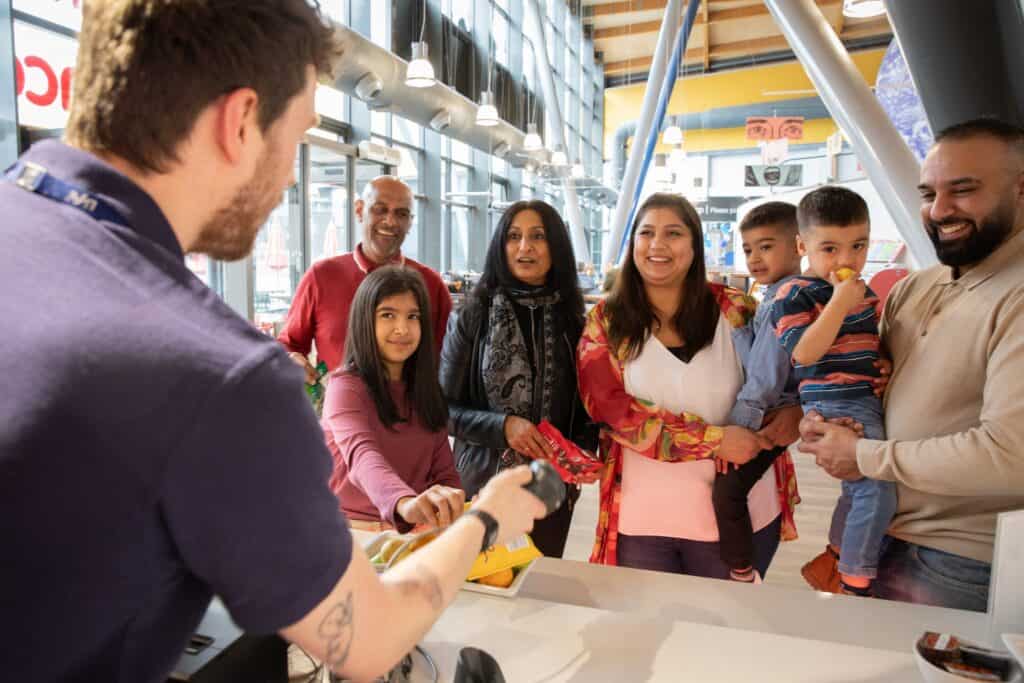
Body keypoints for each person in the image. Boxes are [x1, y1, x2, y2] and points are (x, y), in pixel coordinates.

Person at [0, 3, 547, 682]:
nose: (290, 175)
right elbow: (368, 638)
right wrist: (487, 518)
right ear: (239, 122)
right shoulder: (216, 375)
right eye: (299, 135)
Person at [799, 118, 1024, 612]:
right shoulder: (914, 288)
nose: (940, 210)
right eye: (928, 193)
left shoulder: (1016, 295)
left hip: (961, 560)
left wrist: (864, 455)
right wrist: (828, 420)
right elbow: (864, 382)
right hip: (879, 535)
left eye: (963, 190)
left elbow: (1011, 457)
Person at [577, 193, 802, 576]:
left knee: (728, 613)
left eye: (673, 233)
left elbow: (794, 369)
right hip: (643, 519)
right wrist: (713, 440)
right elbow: (609, 410)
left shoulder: (737, 310)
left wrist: (796, 411)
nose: (658, 244)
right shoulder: (607, 321)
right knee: (648, 614)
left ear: (695, 245)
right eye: (647, 233)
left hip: (738, 514)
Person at [439, 200, 598, 558]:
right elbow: (441, 409)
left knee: (540, 580)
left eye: (538, 236)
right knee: (483, 581)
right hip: (483, 485)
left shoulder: (575, 322)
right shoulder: (472, 316)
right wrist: (503, 426)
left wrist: (580, 455)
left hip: (551, 488)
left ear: (556, 246)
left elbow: (586, 409)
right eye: (514, 236)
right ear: (501, 245)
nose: (525, 247)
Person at [769, 187, 895, 598]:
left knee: (857, 488)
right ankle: (854, 580)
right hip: (834, 400)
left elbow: (868, 343)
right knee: (876, 488)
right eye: (829, 249)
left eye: (858, 246)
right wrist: (840, 302)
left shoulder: (864, 293)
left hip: (864, 396)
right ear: (802, 247)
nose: (846, 260)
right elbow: (804, 353)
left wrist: (883, 362)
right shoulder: (794, 293)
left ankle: (836, 558)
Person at [323, 266, 463, 532]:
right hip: (350, 533)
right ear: (365, 321)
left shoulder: (425, 389)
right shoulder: (344, 387)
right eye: (388, 315)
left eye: (413, 317)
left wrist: (456, 506)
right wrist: (405, 502)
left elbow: (444, 474)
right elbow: (363, 457)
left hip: (414, 533)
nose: (402, 329)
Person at [278, 175, 452, 381]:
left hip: (412, 401)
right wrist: (290, 359)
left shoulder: (431, 284)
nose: (390, 221)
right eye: (380, 210)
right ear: (359, 210)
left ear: (410, 222)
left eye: (401, 214)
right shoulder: (321, 276)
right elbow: (288, 344)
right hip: (339, 399)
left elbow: (449, 359)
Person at [714, 202, 804, 582]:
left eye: (766, 247)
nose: (754, 258)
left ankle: (741, 568)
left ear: (799, 245)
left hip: (769, 413)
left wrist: (741, 425)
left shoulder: (785, 299)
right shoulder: (775, 296)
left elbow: (764, 378)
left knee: (728, 491)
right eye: (748, 249)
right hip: (776, 406)